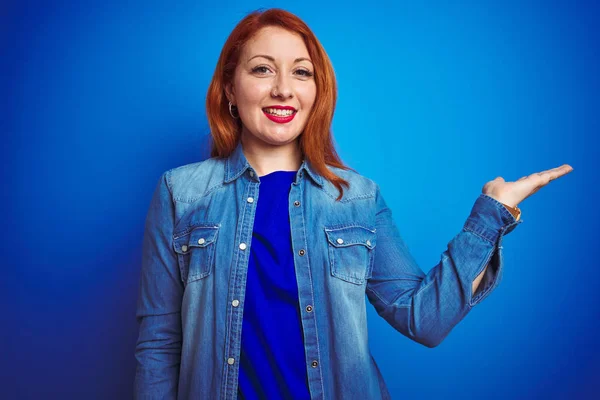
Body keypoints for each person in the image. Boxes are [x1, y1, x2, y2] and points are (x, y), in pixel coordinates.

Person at [133, 8, 573, 400]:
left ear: (317, 91)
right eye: (263, 70)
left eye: (301, 73)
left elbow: (425, 320)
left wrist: (491, 215)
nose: (283, 89)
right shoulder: (181, 193)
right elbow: (158, 342)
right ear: (230, 87)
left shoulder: (358, 198)